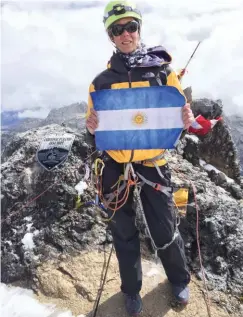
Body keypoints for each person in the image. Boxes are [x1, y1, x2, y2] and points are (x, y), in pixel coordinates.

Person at [86, 1, 194, 315]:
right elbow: (93, 127)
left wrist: (185, 117)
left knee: (164, 225)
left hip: (153, 160)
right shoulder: (101, 82)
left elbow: (177, 120)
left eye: (130, 26)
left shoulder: (162, 72)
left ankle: (179, 279)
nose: (125, 34)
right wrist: (90, 126)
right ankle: (131, 291)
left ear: (138, 28)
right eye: (117, 29)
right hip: (115, 163)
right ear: (110, 35)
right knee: (123, 230)